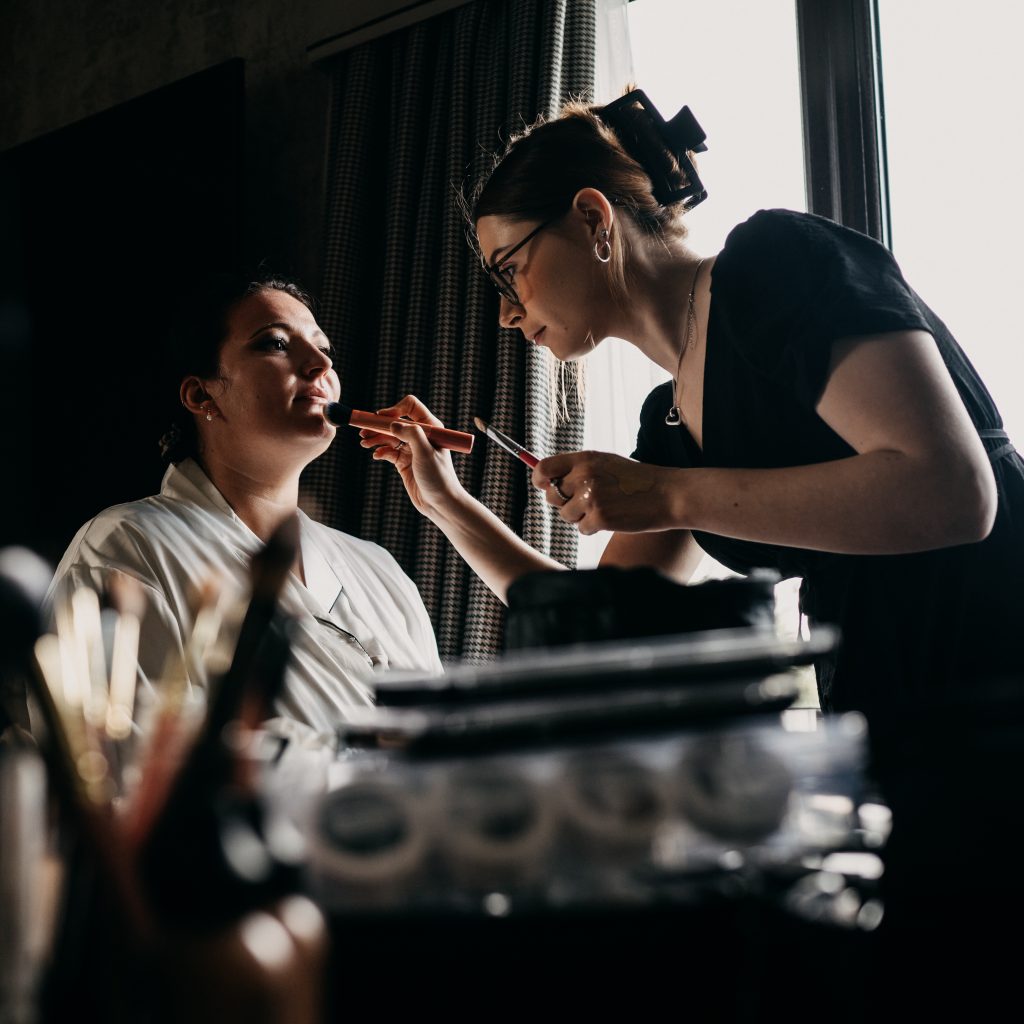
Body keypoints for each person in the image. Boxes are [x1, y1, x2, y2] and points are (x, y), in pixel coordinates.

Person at [361, 90, 1024, 727]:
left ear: (593, 219)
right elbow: (600, 623)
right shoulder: (671, 426)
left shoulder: (772, 264)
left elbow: (954, 492)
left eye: (508, 270)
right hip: (896, 725)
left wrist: (669, 494)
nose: (506, 312)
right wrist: (443, 501)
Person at [48, 275, 441, 745]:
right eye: (275, 343)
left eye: (325, 349)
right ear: (201, 395)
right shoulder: (125, 549)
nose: (319, 364)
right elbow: (118, 777)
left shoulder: (380, 570)